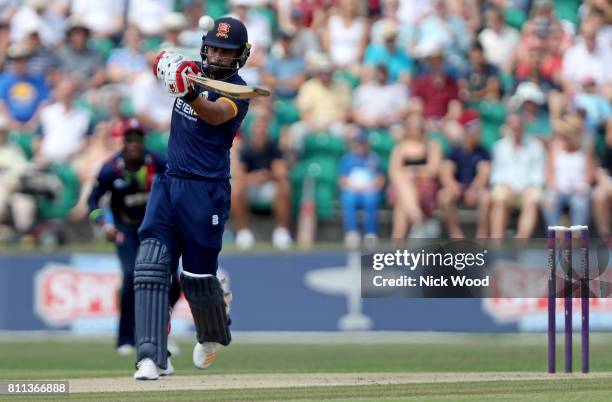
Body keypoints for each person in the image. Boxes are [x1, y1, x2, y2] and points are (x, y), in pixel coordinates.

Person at [133, 17, 250, 380]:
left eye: (227, 52)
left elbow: (214, 115)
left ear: (240, 57)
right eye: (214, 47)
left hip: (207, 191)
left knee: (197, 278)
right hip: (170, 182)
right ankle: (151, 356)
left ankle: (215, 326)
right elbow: (157, 60)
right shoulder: (194, 70)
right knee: (151, 265)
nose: (218, 55)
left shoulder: (238, 92)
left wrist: (187, 92)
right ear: (204, 46)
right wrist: (167, 65)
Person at [87, 118, 179, 356]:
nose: (135, 144)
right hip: (125, 230)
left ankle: (159, 334)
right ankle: (125, 338)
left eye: (139, 139)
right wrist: (103, 223)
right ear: (124, 141)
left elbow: (177, 186)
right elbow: (93, 200)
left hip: (155, 229)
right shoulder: (111, 169)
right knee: (131, 275)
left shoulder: (158, 163)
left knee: (171, 281)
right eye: (130, 139)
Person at [232, 115, 293, 250]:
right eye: (258, 128)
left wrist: (266, 176)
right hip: (250, 187)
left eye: (263, 128)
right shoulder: (245, 148)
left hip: (269, 186)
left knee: (284, 186)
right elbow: (239, 174)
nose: (260, 131)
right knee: (236, 189)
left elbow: (281, 172)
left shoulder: (274, 148)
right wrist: (252, 178)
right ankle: (243, 232)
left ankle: (281, 232)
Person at [489, 113, 546, 239]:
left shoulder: (536, 146)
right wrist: (508, 186)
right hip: (506, 186)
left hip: (528, 187)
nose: (516, 130)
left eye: (518, 126)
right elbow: (497, 174)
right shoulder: (499, 147)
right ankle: (496, 240)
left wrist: (526, 187)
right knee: (499, 198)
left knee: (532, 200)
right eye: (513, 127)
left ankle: (521, 240)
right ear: (508, 127)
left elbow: (538, 174)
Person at [438, 110, 491, 239]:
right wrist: (452, 185)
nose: (479, 133)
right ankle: (456, 235)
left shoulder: (483, 151)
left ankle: (482, 236)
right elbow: (446, 170)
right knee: (444, 196)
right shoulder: (455, 150)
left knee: (486, 197)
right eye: (476, 130)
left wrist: (474, 189)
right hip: (458, 188)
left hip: (475, 189)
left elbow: (485, 172)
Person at [338, 128, 385, 248]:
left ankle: (370, 234)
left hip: (369, 190)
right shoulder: (348, 159)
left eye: (363, 142)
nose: (361, 145)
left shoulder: (374, 158)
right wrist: (351, 186)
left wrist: (371, 186)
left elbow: (380, 178)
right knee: (348, 199)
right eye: (359, 142)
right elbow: (342, 179)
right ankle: (352, 232)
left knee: (371, 200)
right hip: (352, 190)